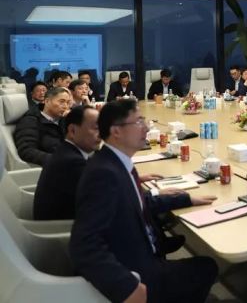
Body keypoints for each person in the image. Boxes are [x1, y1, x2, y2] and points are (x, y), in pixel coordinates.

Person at [69, 99, 218, 303]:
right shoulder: (104, 174)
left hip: (140, 253)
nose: (146, 128)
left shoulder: (115, 161)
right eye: (138, 122)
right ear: (116, 131)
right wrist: (126, 287)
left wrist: (186, 198)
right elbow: (83, 245)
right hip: (135, 272)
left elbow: (136, 201)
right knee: (207, 267)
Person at [33, 105, 101, 220]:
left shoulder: (66, 150)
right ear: (72, 130)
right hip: (61, 228)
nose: (101, 134)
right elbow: (102, 197)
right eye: (96, 128)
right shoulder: (72, 162)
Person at [13, 86, 70, 166]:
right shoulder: (30, 121)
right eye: (61, 102)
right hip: (51, 167)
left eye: (68, 103)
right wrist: (58, 160)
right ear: (47, 101)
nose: (65, 106)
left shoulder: (64, 120)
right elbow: (27, 151)